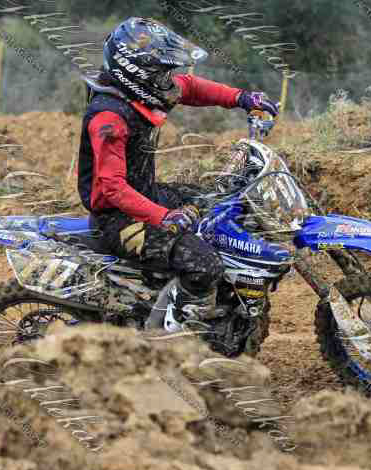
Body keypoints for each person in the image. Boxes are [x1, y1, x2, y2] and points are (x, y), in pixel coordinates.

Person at [77, 17, 278, 331]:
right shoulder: (109, 117)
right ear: (137, 72)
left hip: (144, 195)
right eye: (162, 73)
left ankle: (213, 300)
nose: (169, 80)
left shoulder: (141, 93)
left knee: (218, 202)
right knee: (205, 264)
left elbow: (191, 86)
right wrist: (164, 216)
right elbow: (112, 187)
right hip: (117, 219)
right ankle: (171, 337)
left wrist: (241, 97)